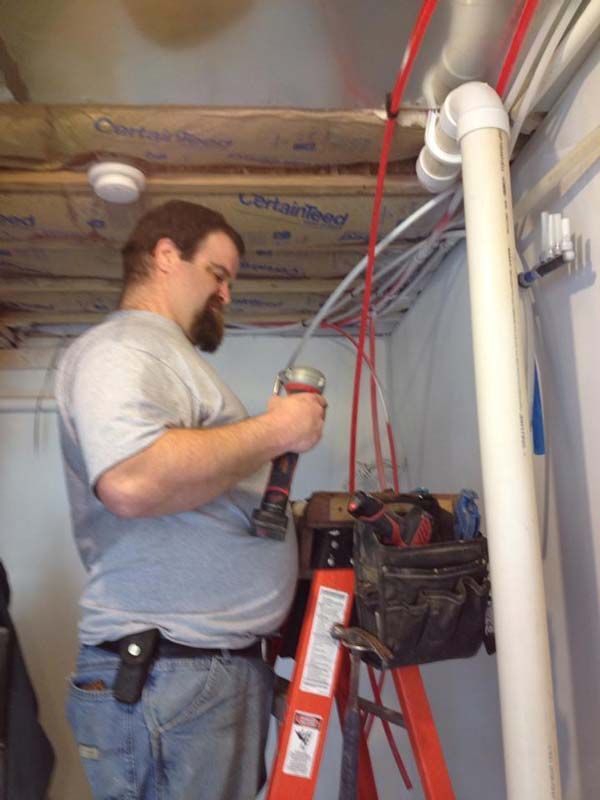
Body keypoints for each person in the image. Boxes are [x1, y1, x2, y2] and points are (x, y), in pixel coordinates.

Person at [55, 200, 326, 800]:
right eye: (218, 274)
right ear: (166, 257)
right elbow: (132, 478)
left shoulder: (165, 358)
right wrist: (277, 430)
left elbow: (191, 488)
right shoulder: (126, 348)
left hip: (187, 673)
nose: (226, 294)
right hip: (171, 672)